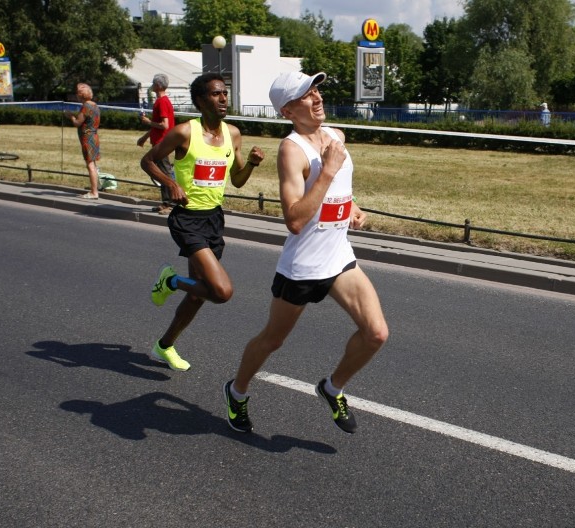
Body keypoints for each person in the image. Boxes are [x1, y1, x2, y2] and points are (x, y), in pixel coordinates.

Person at [223, 71, 389, 434]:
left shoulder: (336, 137)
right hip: (302, 266)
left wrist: (353, 208)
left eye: (316, 90)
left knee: (376, 333)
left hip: (338, 257)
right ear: (287, 111)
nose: (316, 98)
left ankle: (332, 388)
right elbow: (295, 220)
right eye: (305, 95)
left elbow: (342, 188)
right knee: (273, 339)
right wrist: (327, 172)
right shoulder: (291, 150)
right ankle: (236, 391)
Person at [142, 72, 264, 372]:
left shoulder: (233, 134)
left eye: (225, 93)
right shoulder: (184, 132)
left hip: (214, 219)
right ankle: (170, 280)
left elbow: (236, 181)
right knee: (221, 292)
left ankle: (164, 346)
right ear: (200, 100)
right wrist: (170, 183)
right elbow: (147, 160)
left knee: (198, 296)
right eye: (215, 94)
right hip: (186, 219)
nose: (223, 99)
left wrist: (250, 163)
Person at [137, 73, 176, 215]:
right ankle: (166, 202)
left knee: (163, 172)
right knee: (160, 171)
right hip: (160, 141)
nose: (152, 85)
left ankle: (170, 203)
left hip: (162, 142)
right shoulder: (162, 101)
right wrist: (145, 137)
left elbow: (164, 125)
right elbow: (158, 125)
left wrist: (148, 122)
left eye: (154, 83)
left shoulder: (162, 102)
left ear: (158, 85)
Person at [64, 83, 101, 199]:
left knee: (90, 165)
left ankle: (94, 192)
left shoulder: (86, 107)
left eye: (77, 94)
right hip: (94, 136)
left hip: (87, 137)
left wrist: (70, 116)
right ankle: (94, 188)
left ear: (81, 96)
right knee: (93, 164)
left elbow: (77, 123)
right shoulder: (94, 105)